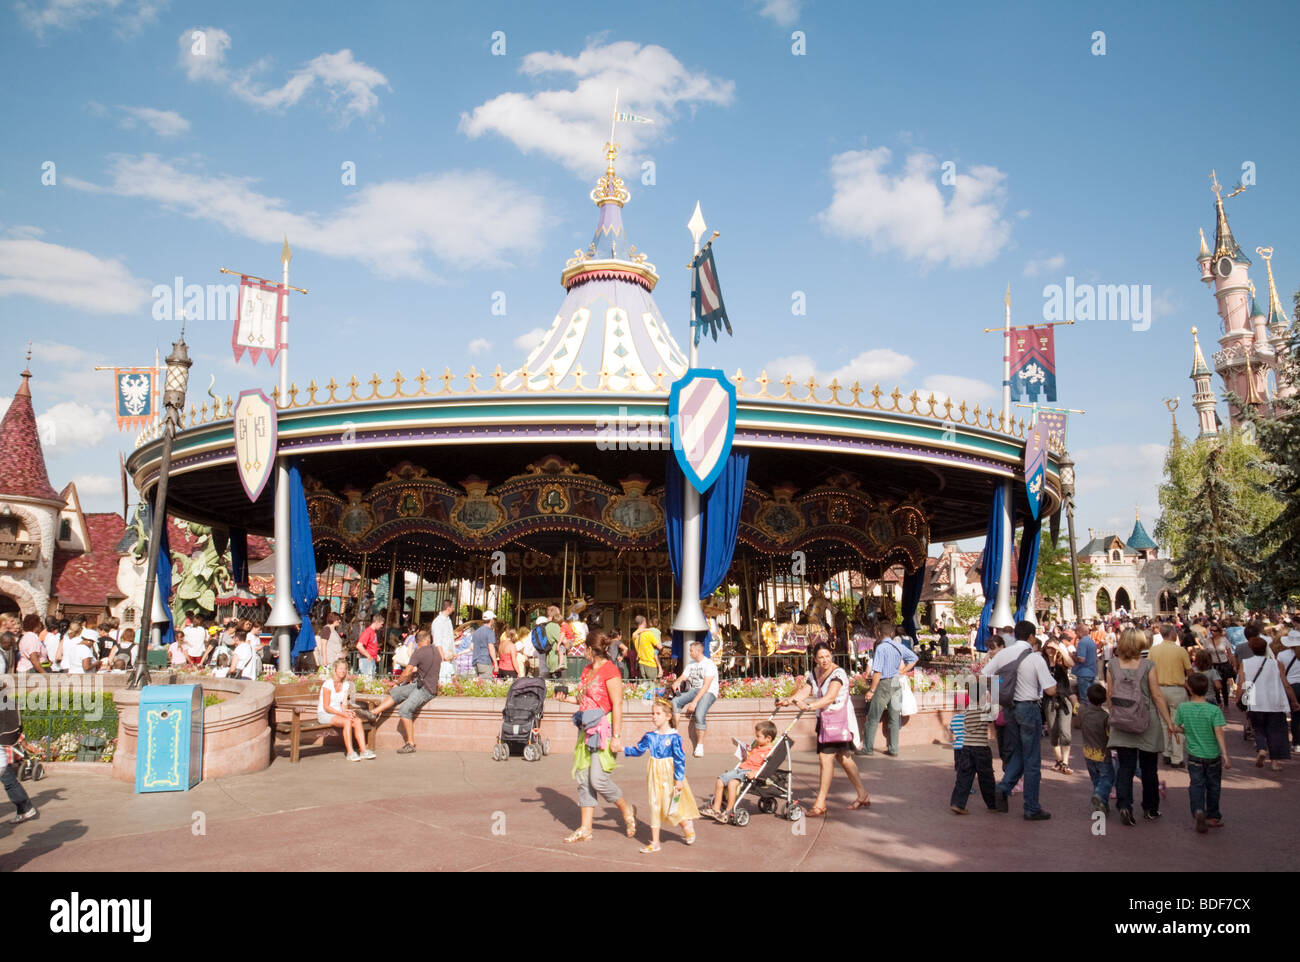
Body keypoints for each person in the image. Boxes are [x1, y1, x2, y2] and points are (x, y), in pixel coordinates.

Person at [553, 632, 637, 843]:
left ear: (591, 650)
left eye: (584, 650)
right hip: (586, 727)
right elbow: (581, 699)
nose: (583, 653)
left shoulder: (611, 670)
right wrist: (564, 699)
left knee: (597, 779)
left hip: (603, 729)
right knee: (583, 778)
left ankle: (624, 807)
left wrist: (616, 736)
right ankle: (585, 828)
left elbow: (617, 704)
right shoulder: (587, 671)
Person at [778, 641, 870, 816]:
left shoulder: (838, 674)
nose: (825, 660)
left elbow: (830, 697)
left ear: (832, 656)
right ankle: (863, 794)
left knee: (825, 758)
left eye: (827, 656)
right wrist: (790, 700)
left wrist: (810, 707)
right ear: (815, 659)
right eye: (821, 657)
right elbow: (806, 690)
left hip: (839, 722)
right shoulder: (815, 673)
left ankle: (820, 803)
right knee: (844, 758)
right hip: (826, 722)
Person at [980, 620, 1057, 820]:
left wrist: (999, 694)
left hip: (1010, 708)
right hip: (1028, 708)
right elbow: (1050, 689)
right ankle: (1031, 807)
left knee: (1020, 753)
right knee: (1032, 759)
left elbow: (984, 674)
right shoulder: (1035, 658)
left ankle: (1003, 787)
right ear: (1031, 637)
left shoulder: (1004, 654)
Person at [1107, 626, 1175, 826]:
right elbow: (1156, 695)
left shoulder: (1112, 665)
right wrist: (1168, 721)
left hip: (1122, 720)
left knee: (1125, 767)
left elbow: (1109, 694)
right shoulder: (1147, 665)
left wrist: (1115, 715)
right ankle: (1150, 808)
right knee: (1149, 767)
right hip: (1147, 720)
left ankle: (1125, 805)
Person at [622, 698, 700, 852]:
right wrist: (622, 749)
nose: (654, 716)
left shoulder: (674, 737)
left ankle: (686, 824)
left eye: (658, 713)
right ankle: (655, 842)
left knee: (670, 806)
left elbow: (679, 759)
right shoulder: (650, 736)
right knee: (655, 805)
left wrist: (678, 778)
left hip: (669, 774)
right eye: (653, 713)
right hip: (654, 773)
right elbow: (638, 750)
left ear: (668, 716)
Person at [1172, 672, 1230, 832]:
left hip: (1194, 755)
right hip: (1213, 755)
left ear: (1189, 689)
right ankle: (1213, 816)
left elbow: (1176, 727)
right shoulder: (1214, 710)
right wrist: (1225, 754)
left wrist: (1184, 731)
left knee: (1196, 784)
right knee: (1214, 785)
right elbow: (1219, 732)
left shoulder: (1184, 707)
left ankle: (1198, 810)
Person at [371, 628, 442, 754]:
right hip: (423, 685)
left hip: (426, 689)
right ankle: (374, 713)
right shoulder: (436, 651)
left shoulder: (418, 653)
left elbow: (407, 671)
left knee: (405, 710)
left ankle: (410, 743)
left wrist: (396, 683)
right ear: (428, 640)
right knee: (396, 693)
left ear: (417, 642)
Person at [1237, 631, 1299, 772]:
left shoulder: (1245, 663)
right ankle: (1275, 762)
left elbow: (1243, 683)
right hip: (1275, 702)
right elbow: (1286, 684)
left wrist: (1239, 697)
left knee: (1259, 728)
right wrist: (1294, 701)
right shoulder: (1276, 663)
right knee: (1276, 731)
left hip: (1255, 701)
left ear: (1251, 649)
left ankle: (1262, 749)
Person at [700, 720, 778, 821]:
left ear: (768, 739)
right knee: (719, 780)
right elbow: (749, 758)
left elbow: (766, 767)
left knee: (732, 784)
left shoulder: (770, 751)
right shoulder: (757, 747)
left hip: (749, 772)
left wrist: (755, 773)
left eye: (758, 736)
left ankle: (728, 811)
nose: (756, 738)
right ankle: (715, 809)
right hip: (741, 769)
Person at [862, 619, 918, 756]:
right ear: (892, 633)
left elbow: (878, 672)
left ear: (879, 633)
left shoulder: (881, 648)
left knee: (873, 717)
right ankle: (894, 748)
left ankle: (868, 748)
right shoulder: (898, 646)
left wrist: (871, 690)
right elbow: (914, 658)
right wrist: (903, 671)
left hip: (884, 683)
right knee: (894, 717)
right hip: (896, 682)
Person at [949, 686, 997, 814]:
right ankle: (993, 805)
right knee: (986, 778)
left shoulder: (968, 710)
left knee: (964, 776)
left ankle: (958, 803)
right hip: (981, 747)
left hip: (967, 747)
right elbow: (995, 714)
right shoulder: (984, 708)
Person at [1149, 630, 1193, 768]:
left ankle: (1166, 753)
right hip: (1177, 689)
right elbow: (1189, 671)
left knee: (1163, 723)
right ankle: (1177, 757)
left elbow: (1149, 669)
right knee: (1177, 723)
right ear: (1173, 635)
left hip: (1159, 688)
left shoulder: (1153, 650)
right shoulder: (1180, 651)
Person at [317, 658, 375, 761]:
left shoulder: (346, 685)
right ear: (335, 670)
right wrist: (343, 714)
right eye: (340, 668)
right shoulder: (328, 684)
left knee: (357, 721)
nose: (342, 671)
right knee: (347, 721)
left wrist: (346, 711)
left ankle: (363, 751)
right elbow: (326, 706)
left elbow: (343, 704)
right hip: (325, 713)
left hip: (338, 713)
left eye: (344, 669)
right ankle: (350, 752)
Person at [671, 639, 719, 757]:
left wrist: (694, 702)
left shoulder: (709, 664)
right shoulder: (691, 663)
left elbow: (706, 686)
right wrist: (677, 682)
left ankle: (699, 745)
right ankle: (675, 732)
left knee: (699, 713)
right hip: (694, 690)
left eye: (691, 651)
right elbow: (684, 676)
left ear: (698, 651)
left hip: (708, 691)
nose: (689, 652)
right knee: (675, 701)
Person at [0, 673, 37, 825]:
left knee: (9, 781)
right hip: (3, 751)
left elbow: (12, 727)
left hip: (2, 750)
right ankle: (25, 809)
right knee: (9, 780)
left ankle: (26, 808)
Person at [1079, 683, 1114, 814]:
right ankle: (1100, 796)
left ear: (1088, 697)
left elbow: (1077, 707)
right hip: (1102, 753)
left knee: (1096, 779)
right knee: (1108, 777)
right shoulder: (1105, 717)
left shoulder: (1083, 712)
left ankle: (1102, 804)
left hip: (1088, 752)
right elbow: (1109, 735)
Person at [1042, 633, 1075, 774]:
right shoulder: (1042, 662)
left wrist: (1060, 649)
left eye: (1052, 648)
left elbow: (1071, 663)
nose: (1050, 650)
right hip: (1049, 700)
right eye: (1048, 648)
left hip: (1064, 699)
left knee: (1065, 732)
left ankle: (1065, 763)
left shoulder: (1062, 662)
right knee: (1053, 731)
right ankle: (1059, 760)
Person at [1280, 631, 1300, 749]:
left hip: (1291, 687)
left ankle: (1297, 743)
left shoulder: (1282, 655)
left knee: (1295, 716)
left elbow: (1280, 674)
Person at [633, 615, 663, 685]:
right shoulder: (649, 634)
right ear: (644, 622)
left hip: (641, 663)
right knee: (653, 686)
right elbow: (660, 646)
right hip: (650, 663)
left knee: (644, 686)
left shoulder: (634, 634)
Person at [471, 611, 498, 678]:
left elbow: (471, 647)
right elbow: (491, 648)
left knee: (477, 685)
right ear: (491, 620)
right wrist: (496, 663)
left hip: (476, 661)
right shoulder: (490, 632)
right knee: (486, 685)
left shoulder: (476, 631)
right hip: (485, 662)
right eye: (494, 619)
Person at [356, 612, 383, 678]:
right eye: (381, 624)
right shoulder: (368, 631)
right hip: (366, 660)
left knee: (370, 680)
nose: (381, 626)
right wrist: (368, 655)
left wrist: (375, 655)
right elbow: (359, 646)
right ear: (376, 622)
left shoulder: (373, 632)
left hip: (370, 659)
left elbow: (370, 646)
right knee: (367, 680)